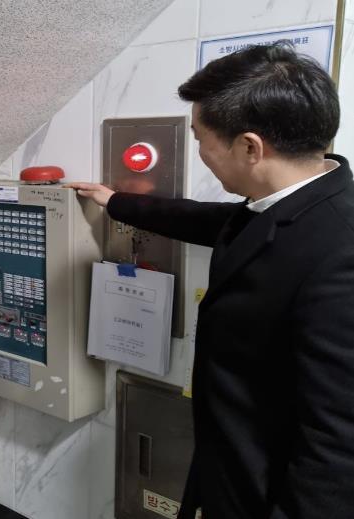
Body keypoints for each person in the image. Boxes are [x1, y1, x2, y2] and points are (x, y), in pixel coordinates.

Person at [69, 42, 354, 518]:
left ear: (250, 147)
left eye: (201, 138)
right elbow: (214, 222)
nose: (200, 152)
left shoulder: (340, 253)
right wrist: (116, 201)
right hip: (226, 469)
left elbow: (339, 443)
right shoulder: (290, 205)